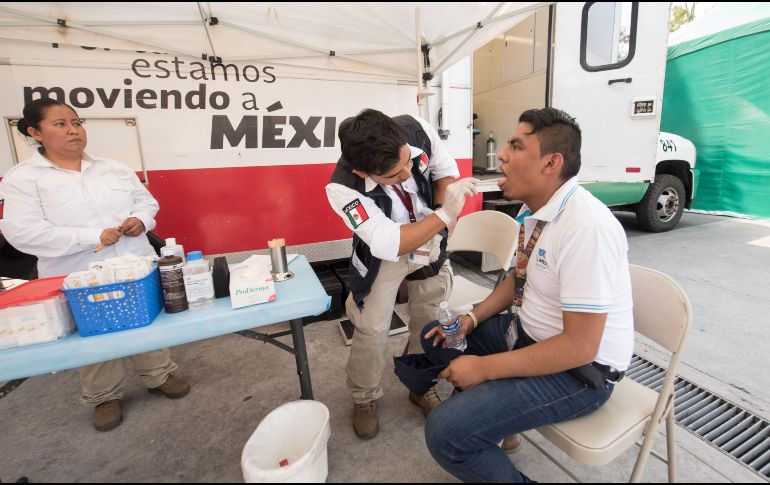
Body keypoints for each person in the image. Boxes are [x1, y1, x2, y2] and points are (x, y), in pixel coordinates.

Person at [421, 107, 634, 482]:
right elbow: (517, 278)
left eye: (516, 146)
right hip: (526, 335)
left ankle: (476, 425)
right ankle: (491, 422)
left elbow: (580, 347)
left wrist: (484, 369)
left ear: (551, 163)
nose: (501, 155)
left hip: (578, 373)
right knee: (437, 337)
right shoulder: (534, 210)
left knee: (445, 433)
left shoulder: (587, 228)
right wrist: (471, 319)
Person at [0, 99, 191, 432]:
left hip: (133, 266)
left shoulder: (112, 167)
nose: (73, 130)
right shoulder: (24, 178)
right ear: (35, 132)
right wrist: (91, 236)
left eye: (76, 122)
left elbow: (146, 202)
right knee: (93, 334)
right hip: (77, 274)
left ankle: (159, 375)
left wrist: (140, 220)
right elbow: (23, 233)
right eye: (60, 124)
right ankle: (104, 396)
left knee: (146, 323)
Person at [326, 109, 478, 439]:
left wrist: (437, 216)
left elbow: (443, 171)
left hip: (431, 237)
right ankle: (364, 397)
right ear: (362, 172)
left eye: (408, 161)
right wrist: (445, 216)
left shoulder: (417, 128)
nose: (408, 174)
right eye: (395, 175)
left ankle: (420, 385)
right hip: (384, 254)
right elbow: (389, 242)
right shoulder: (342, 189)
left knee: (429, 318)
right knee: (372, 326)